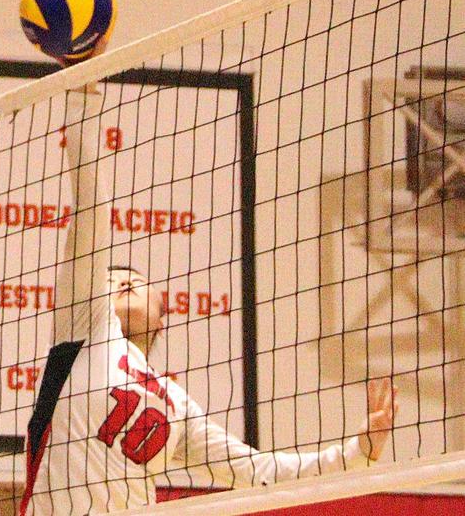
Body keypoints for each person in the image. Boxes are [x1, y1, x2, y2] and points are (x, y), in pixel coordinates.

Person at [20, 45, 399, 515]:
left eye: (136, 279)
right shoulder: (85, 331)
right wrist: (83, 95)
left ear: (164, 313)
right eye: (111, 278)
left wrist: (358, 450)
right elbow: (92, 215)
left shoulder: (175, 404)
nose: (122, 281)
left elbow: (256, 471)